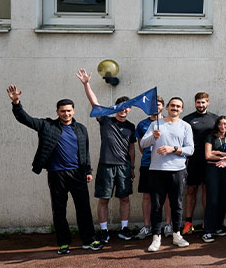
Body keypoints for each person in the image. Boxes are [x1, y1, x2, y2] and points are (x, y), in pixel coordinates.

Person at [8, 84, 102, 255]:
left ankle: (89, 240)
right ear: (57, 112)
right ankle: (64, 243)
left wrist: (88, 171)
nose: (66, 114)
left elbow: (85, 151)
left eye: (69, 111)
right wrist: (16, 103)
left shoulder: (81, 129)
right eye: (62, 111)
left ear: (73, 111)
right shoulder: (47, 125)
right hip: (57, 174)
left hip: (78, 174)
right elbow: (25, 118)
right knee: (59, 211)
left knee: (84, 209)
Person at [75, 68, 136, 243]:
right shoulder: (106, 120)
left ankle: (124, 229)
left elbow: (131, 148)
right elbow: (94, 102)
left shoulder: (131, 126)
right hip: (106, 166)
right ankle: (104, 231)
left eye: (126, 107)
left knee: (125, 198)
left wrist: (132, 167)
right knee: (104, 199)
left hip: (124, 166)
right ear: (116, 108)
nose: (123, 110)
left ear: (130, 108)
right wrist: (86, 84)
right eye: (120, 107)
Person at [140, 97, 194, 252]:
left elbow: (190, 149)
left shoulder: (185, 126)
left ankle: (177, 235)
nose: (175, 108)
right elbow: (143, 144)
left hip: (177, 170)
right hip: (157, 170)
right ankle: (156, 237)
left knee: (176, 204)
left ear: (181, 109)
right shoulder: (155, 124)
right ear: (167, 107)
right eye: (172, 105)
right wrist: (153, 137)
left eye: (178, 106)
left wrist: (173, 149)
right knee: (156, 206)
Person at [135, 96, 171, 239]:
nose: (156, 107)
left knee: (167, 195)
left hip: (165, 164)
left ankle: (168, 225)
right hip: (147, 164)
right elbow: (141, 145)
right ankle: (147, 226)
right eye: (153, 104)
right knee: (147, 196)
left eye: (159, 104)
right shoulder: (142, 124)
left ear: (163, 106)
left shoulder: (168, 122)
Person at [182, 92, 218, 235]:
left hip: (209, 159)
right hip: (192, 159)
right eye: (198, 102)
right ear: (195, 103)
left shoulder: (215, 119)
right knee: (191, 190)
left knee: (206, 190)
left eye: (203, 102)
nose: (201, 105)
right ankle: (188, 223)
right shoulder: (187, 119)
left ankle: (206, 221)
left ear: (208, 102)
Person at [202, 116, 226, 242]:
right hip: (212, 169)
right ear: (217, 125)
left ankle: (218, 227)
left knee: (223, 199)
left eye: (225, 124)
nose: (223, 126)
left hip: (225, 170)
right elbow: (207, 155)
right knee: (213, 200)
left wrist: (219, 153)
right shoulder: (210, 137)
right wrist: (225, 156)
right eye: (220, 124)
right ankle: (207, 231)